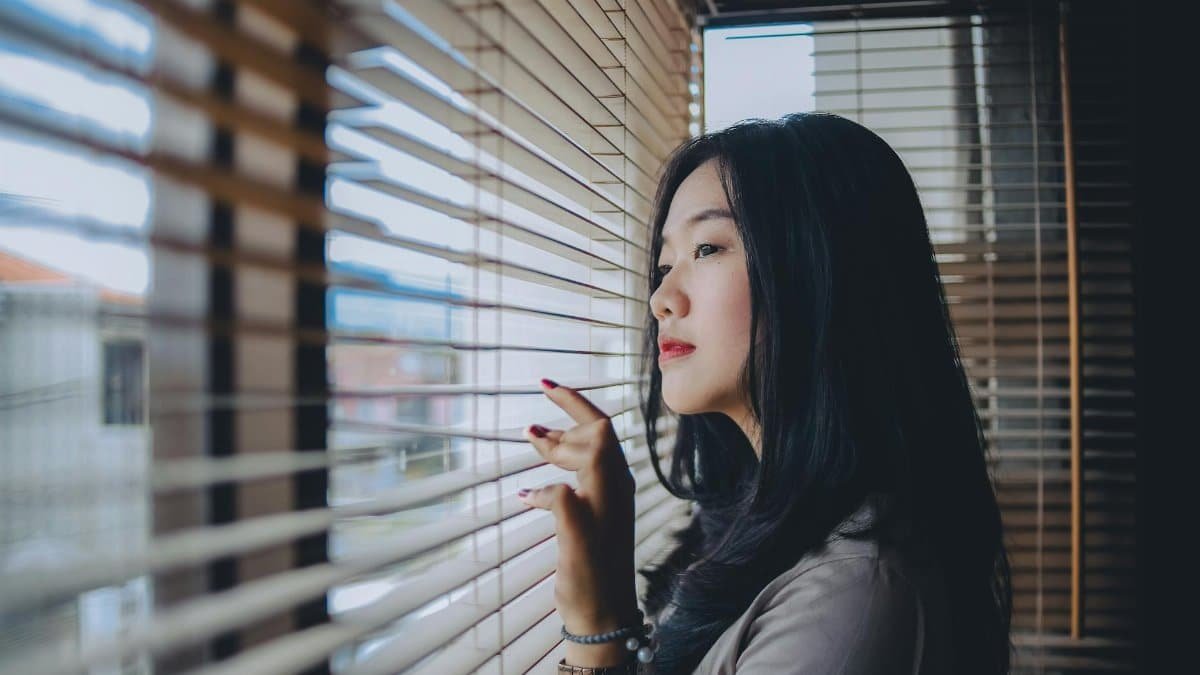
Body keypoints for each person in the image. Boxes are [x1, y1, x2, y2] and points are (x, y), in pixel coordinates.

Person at [517, 112, 1013, 674]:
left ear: (823, 270)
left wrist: (597, 627)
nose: (662, 299)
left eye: (706, 249)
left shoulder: (852, 594)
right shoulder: (750, 527)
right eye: (664, 263)